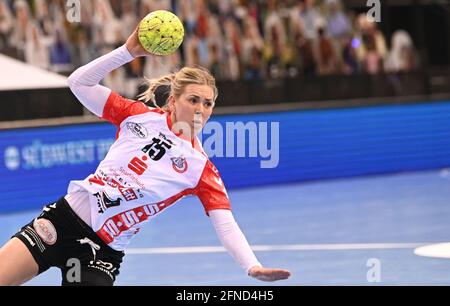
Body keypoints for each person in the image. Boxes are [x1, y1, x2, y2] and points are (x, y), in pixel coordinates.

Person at [0, 26, 291, 286]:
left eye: (208, 103)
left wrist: (252, 266)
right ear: (173, 100)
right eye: (193, 100)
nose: (201, 109)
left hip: (101, 251)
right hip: (62, 221)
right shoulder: (136, 116)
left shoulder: (200, 169)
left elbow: (225, 222)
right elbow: (78, 82)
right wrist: (127, 52)